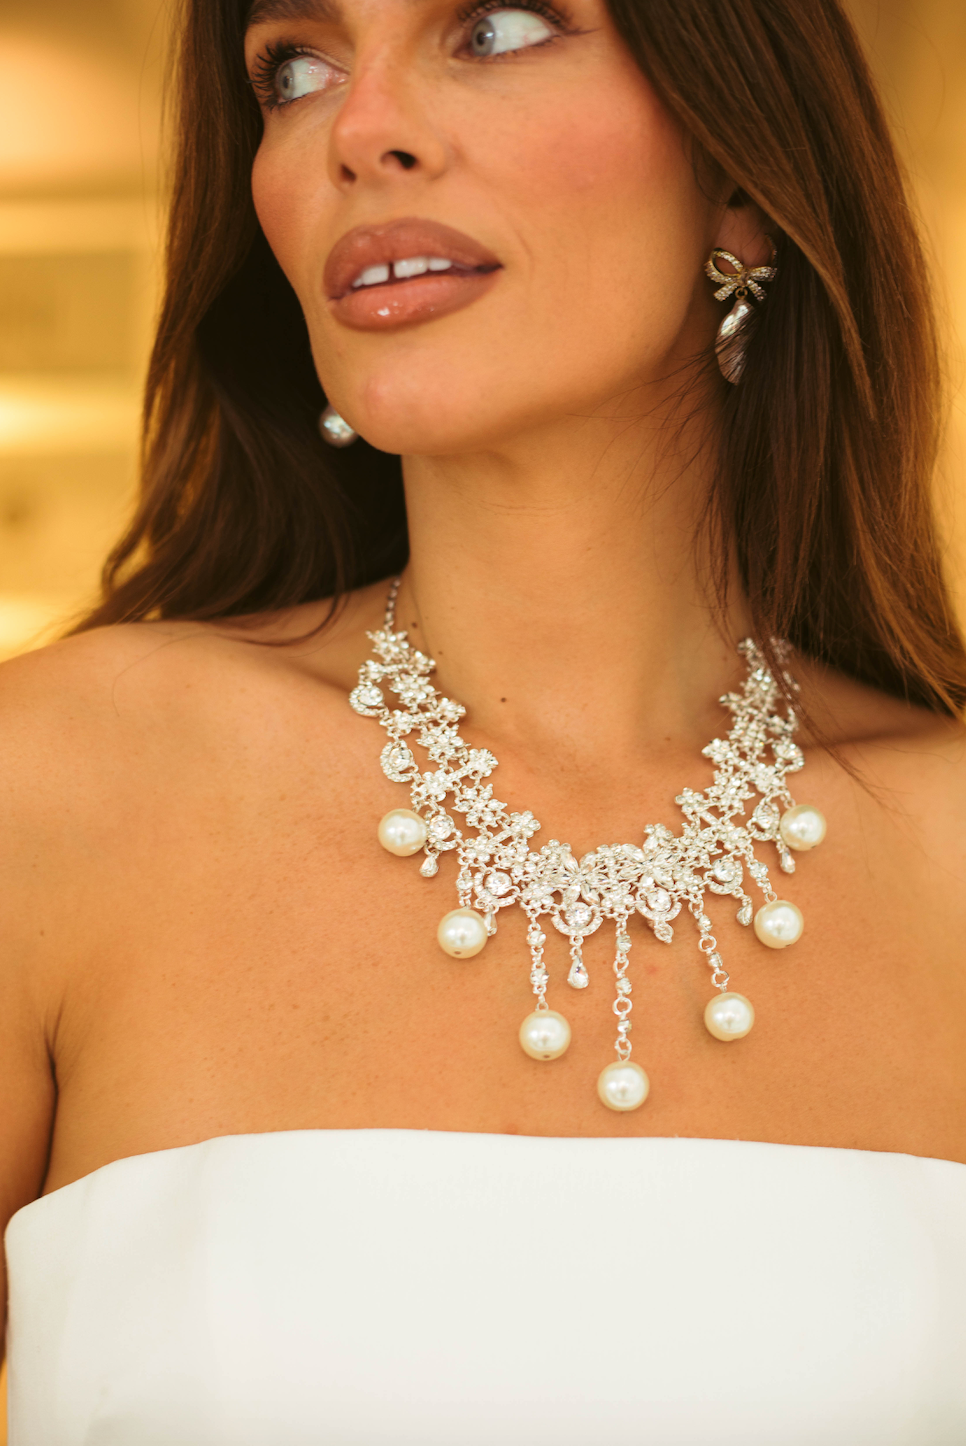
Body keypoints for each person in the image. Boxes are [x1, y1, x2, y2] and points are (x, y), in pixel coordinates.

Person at [2, 0, 965, 1438]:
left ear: (746, 174)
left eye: (497, 26)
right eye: (294, 68)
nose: (358, 128)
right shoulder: (61, 783)